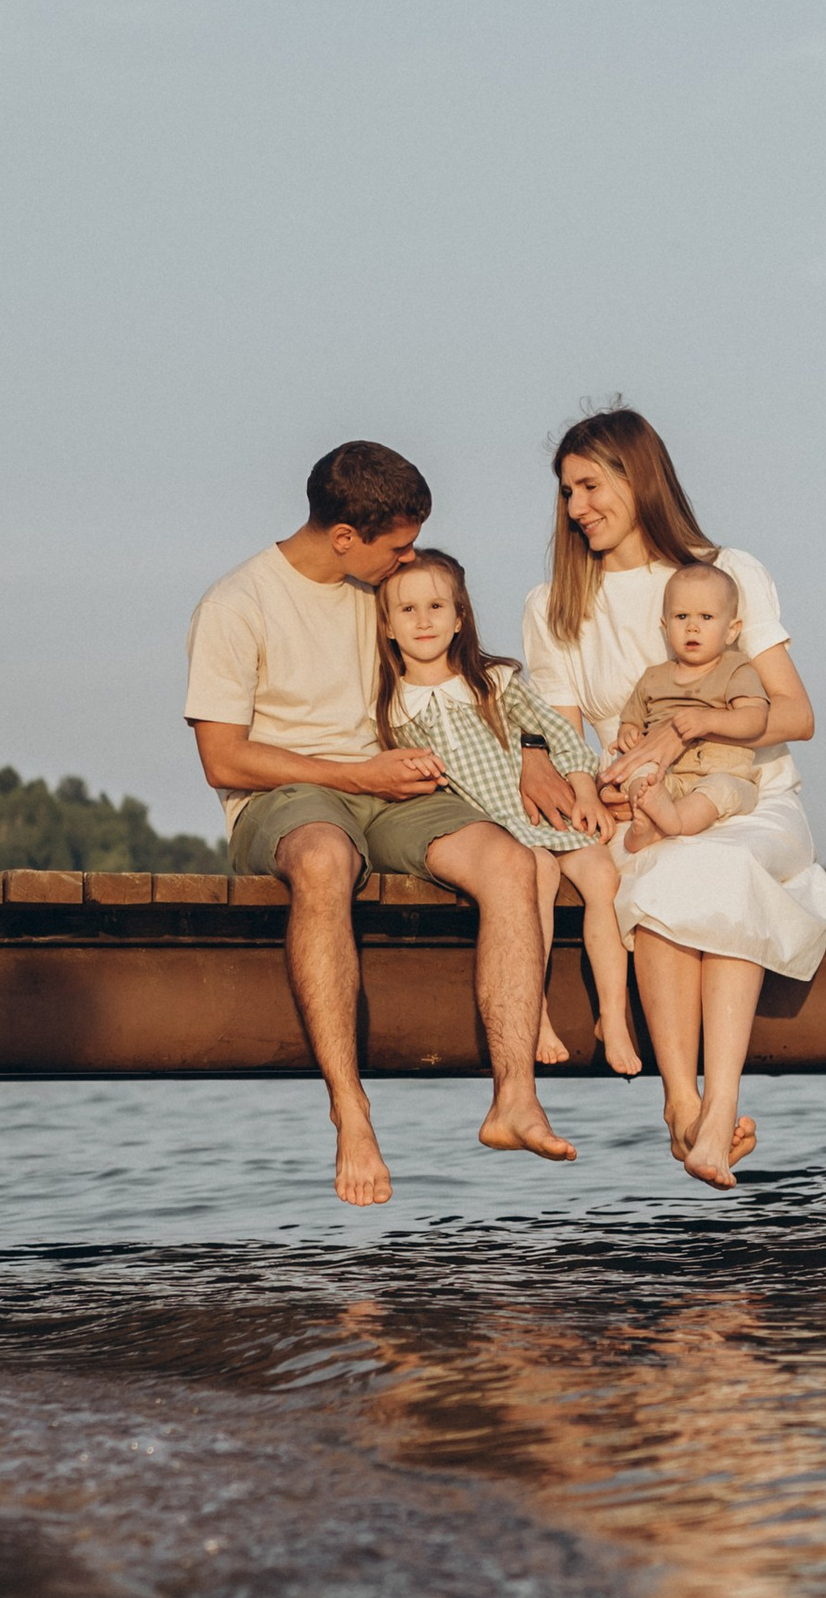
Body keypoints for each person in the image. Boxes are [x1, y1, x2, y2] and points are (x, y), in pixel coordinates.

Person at [185, 441, 575, 1205]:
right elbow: (223, 760)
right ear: (343, 538)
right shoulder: (235, 607)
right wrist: (352, 774)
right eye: (397, 545)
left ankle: (515, 1097)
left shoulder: (384, 589)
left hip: (393, 784)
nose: (410, 559)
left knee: (509, 862)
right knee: (328, 861)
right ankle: (352, 1110)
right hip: (289, 795)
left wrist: (532, 749)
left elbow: (479, 673)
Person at [520, 406, 826, 1193]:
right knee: (665, 881)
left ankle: (720, 1102)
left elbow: (796, 714)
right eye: (566, 492)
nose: (576, 508)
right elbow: (567, 751)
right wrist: (596, 792)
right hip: (643, 816)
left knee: (721, 868)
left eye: (590, 485)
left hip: (749, 801)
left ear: (639, 477)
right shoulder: (555, 606)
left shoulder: (726, 570)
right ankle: (682, 1105)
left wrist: (689, 726)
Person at [377, 549, 645, 1081]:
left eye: (436, 606)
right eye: (407, 610)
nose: (424, 620)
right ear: (386, 626)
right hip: (496, 831)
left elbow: (558, 736)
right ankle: (535, 1012)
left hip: (545, 814)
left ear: (460, 618)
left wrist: (584, 789)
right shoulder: (391, 708)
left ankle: (611, 1017)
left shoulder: (493, 682)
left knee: (601, 877)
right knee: (537, 878)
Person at [609, 564, 770, 852]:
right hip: (666, 773)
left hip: (723, 770)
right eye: (681, 616)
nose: (692, 627)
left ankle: (672, 823)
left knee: (719, 791)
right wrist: (628, 734)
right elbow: (630, 721)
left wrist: (708, 720)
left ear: (732, 630)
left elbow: (755, 719)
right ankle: (649, 814)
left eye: (706, 617)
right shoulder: (653, 677)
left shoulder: (736, 668)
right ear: (665, 625)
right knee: (640, 775)